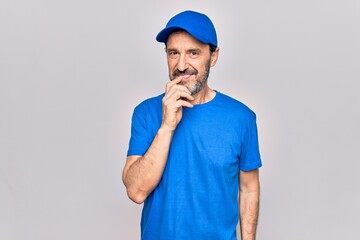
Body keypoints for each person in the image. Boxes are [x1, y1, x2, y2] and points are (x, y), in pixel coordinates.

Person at [123, 10, 262, 240]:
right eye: (173, 53)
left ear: (213, 56)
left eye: (193, 53)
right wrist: (167, 126)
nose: (181, 65)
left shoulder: (242, 118)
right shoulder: (145, 113)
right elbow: (136, 191)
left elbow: (249, 188)